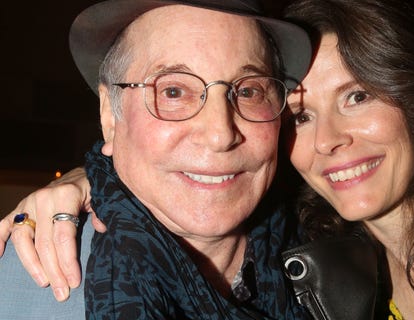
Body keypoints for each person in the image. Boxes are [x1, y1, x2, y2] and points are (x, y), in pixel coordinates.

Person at [3, 0, 414, 319]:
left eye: (358, 95)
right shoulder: (320, 262)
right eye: (302, 114)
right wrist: (92, 177)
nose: (330, 138)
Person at [0, 0, 314, 318]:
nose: (220, 135)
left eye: (248, 92)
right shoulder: (14, 293)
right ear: (110, 115)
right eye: (174, 91)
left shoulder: (332, 265)